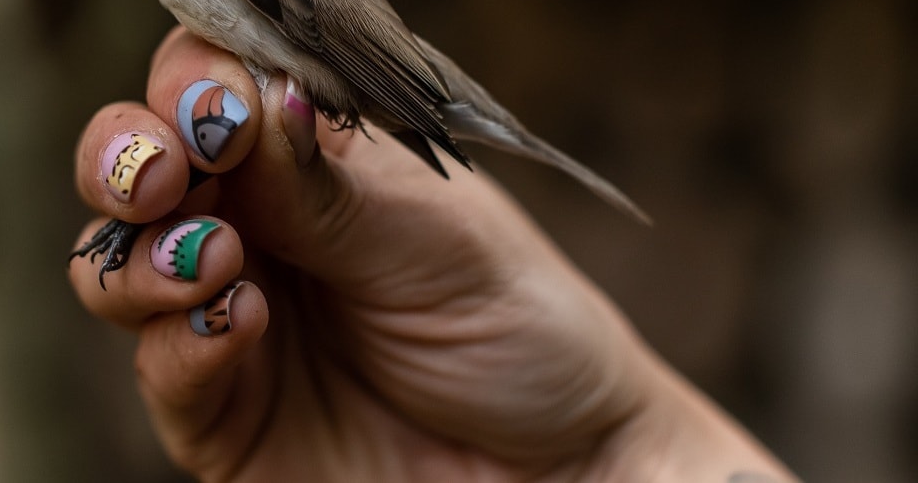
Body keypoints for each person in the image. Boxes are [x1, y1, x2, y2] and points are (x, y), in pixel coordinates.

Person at [68, 27, 797, 482]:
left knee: (231, 128)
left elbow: (323, 52)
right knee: (219, 135)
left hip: (365, 87)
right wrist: (622, 446)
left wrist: (617, 448)